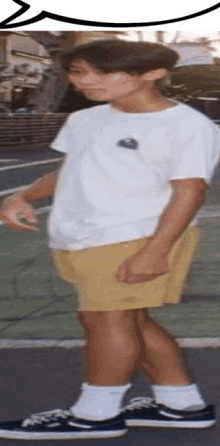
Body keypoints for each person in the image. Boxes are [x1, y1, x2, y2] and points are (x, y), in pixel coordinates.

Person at [0, 39, 219, 441]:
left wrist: (156, 250)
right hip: (80, 235)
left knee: (108, 321)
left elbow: (190, 192)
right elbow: (70, 169)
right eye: (78, 72)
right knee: (124, 319)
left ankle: (95, 413)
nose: (87, 81)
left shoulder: (184, 125)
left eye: (103, 73)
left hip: (133, 237)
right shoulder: (86, 120)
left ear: (153, 74)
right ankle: (181, 403)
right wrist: (24, 195)